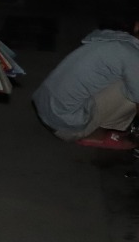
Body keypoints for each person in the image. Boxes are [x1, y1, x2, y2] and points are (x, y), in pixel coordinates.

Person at [33, 14, 139, 149]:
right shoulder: (134, 58)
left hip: (44, 106)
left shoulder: (116, 38)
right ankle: (95, 134)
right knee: (133, 90)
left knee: (128, 79)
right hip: (65, 127)